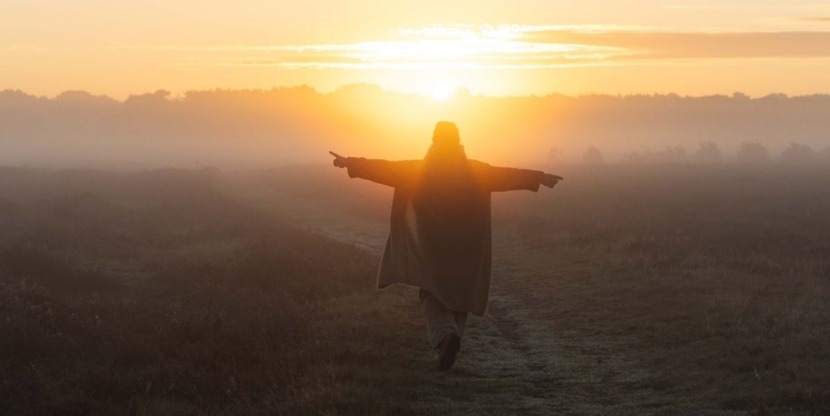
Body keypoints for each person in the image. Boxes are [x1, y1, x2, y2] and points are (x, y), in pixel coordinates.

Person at [329, 121, 563, 370]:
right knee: (460, 293)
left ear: (434, 141)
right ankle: (448, 344)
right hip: (468, 245)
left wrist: (350, 162)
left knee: (430, 291)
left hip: (431, 245)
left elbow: (384, 169)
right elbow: (507, 175)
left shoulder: (418, 170)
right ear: (458, 141)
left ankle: (445, 337)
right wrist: (541, 177)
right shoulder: (475, 170)